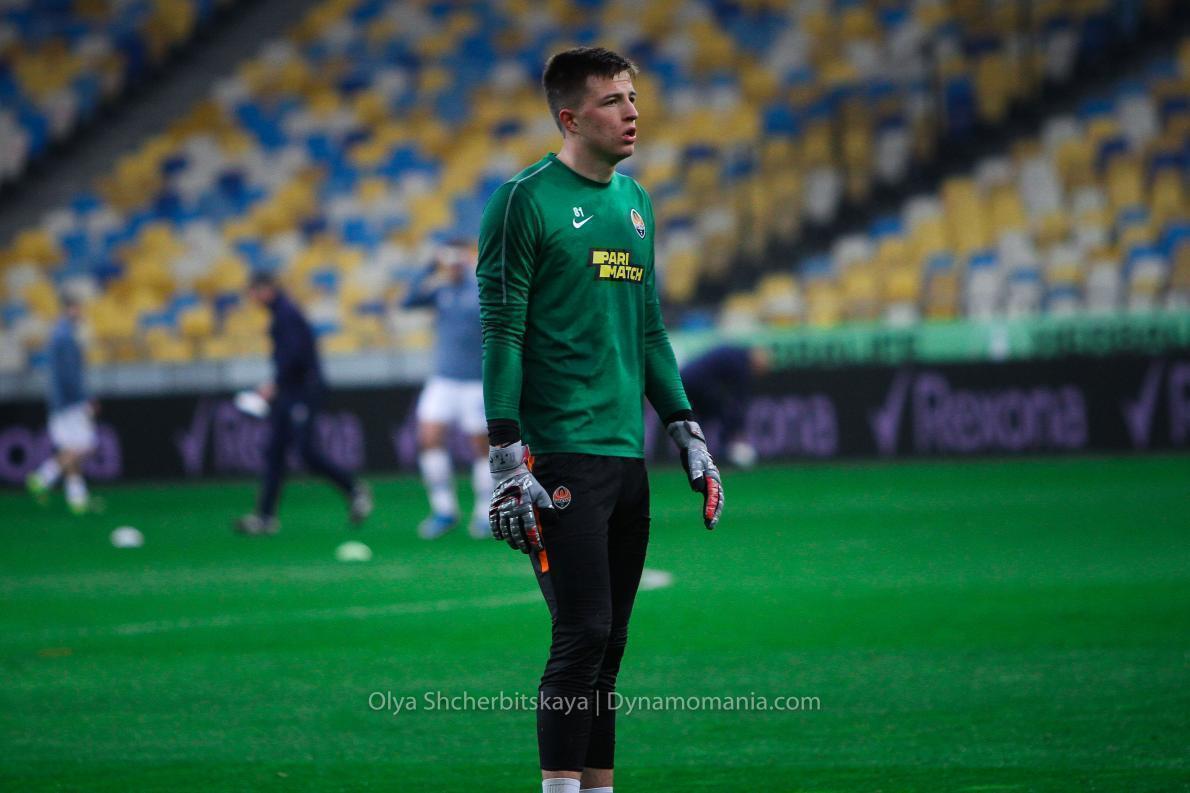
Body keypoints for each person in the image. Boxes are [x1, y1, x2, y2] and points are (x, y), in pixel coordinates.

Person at [477, 47, 725, 793]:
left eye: (633, 97)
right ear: (570, 117)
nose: (632, 112)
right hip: (558, 456)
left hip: (625, 458)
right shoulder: (522, 201)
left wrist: (686, 431)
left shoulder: (637, 203)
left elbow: (648, 332)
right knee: (581, 632)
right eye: (613, 100)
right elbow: (502, 333)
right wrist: (505, 457)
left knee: (608, 647)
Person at [235, 271, 372, 535]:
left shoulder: (286, 314)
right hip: (290, 391)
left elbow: (295, 357)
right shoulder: (282, 313)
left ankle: (354, 489)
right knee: (275, 452)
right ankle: (265, 516)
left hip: (301, 392)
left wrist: (274, 385)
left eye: (254, 292)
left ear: (265, 289)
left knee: (305, 451)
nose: (252, 298)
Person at [402, 239, 492, 540]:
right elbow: (407, 301)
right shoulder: (440, 291)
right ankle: (444, 510)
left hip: (475, 382)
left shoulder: (477, 290)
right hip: (443, 379)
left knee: (481, 447)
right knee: (428, 438)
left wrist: (471, 269)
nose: (451, 265)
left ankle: (485, 511)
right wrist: (428, 266)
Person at [26, 295, 99, 514]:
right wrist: (84, 400)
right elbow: (70, 374)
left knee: (70, 448)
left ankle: (77, 498)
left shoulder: (59, 334)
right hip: (70, 403)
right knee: (85, 446)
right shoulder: (65, 337)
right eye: (77, 309)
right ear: (70, 309)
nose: (80, 313)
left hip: (60, 402)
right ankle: (42, 477)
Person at [680, 344, 772, 468]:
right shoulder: (742, 364)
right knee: (723, 411)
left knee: (707, 414)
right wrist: (739, 430)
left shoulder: (736, 354)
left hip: (685, 378)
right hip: (697, 382)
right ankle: (724, 451)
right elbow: (740, 401)